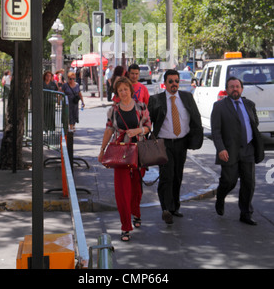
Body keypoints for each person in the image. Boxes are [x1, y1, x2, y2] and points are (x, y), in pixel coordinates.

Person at [98, 76, 151, 242]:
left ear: (131, 90)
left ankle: (136, 212)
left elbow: (148, 127)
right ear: (117, 93)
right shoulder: (113, 110)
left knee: (136, 188)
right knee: (121, 192)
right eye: (120, 90)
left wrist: (138, 131)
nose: (123, 92)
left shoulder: (141, 107)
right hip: (120, 153)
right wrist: (102, 150)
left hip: (139, 152)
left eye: (125, 89)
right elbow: (108, 130)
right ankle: (125, 227)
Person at [148, 69, 203, 224]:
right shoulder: (156, 100)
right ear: (165, 83)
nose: (174, 84)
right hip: (163, 144)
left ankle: (174, 207)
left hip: (181, 143)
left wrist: (195, 139)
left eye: (176, 81)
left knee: (177, 175)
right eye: (170, 81)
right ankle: (166, 209)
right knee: (167, 176)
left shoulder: (187, 97)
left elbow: (195, 118)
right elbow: (148, 122)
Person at [211, 76, 264, 225]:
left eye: (237, 86)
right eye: (232, 86)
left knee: (249, 183)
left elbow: (255, 123)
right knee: (229, 181)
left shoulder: (249, 104)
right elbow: (216, 130)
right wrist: (221, 148)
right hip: (229, 150)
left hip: (248, 149)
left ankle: (246, 213)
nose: (235, 89)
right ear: (227, 90)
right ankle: (220, 197)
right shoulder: (219, 106)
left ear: (241, 89)